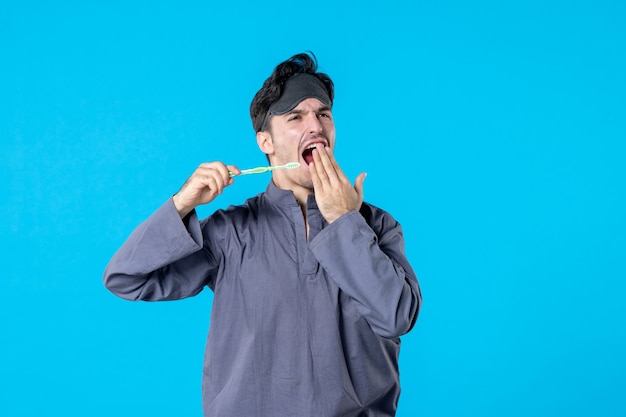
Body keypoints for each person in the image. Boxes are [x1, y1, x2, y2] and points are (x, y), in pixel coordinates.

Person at [103, 51, 422, 417]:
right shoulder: (230, 232)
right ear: (265, 143)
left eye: (323, 114)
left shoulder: (376, 226)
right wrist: (181, 204)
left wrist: (344, 221)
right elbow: (126, 278)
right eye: (296, 117)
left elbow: (397, 316)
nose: (315, 126)